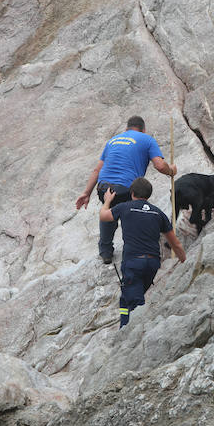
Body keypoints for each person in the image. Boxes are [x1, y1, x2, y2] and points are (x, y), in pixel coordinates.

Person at [76, 116, 177, 263]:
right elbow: (160, 165)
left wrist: (86, 193)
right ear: (143, 129)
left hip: (104, 187)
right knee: (133, 214)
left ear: (126, 129)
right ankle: (135, 251)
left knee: (109, 210)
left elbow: (97, 170)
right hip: (127, 189)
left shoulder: (113, 140)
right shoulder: (146, 139)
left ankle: (106, 252)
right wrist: (171, 171)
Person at [100, 177, 186, 328]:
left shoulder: (125, 207)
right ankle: (124, 327)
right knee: (126, 297)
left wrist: (107, 200)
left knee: (136, 303)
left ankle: (132, 333)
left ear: (132, 193)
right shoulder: (158, 213)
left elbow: (104, 216)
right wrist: (185, 262)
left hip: (133, 262)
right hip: (152, 263)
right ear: (149, 195)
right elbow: (175, 244)